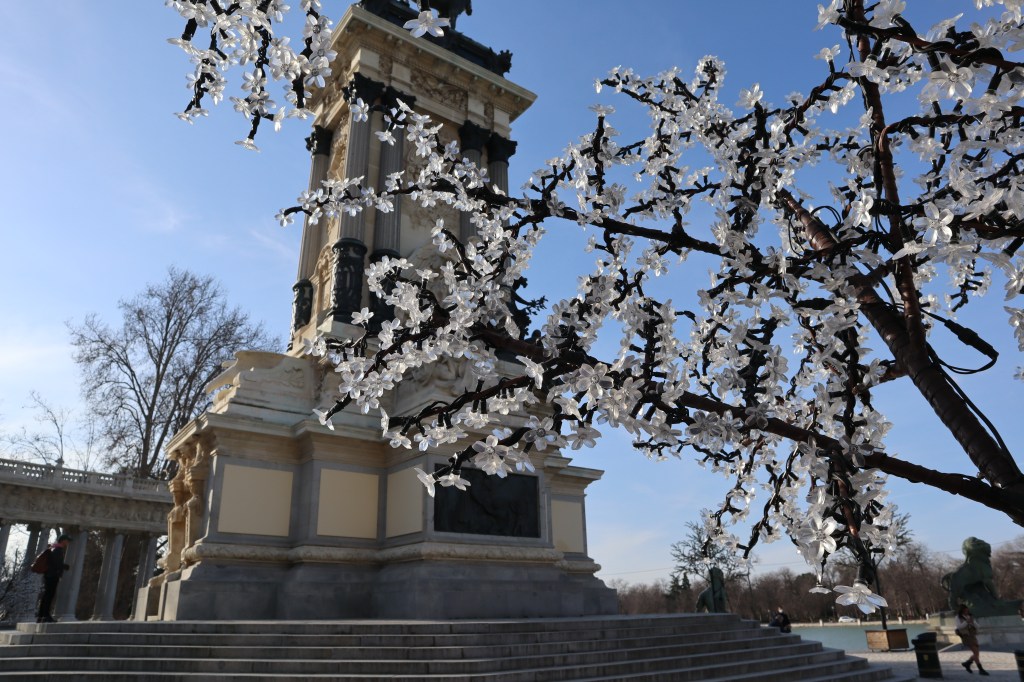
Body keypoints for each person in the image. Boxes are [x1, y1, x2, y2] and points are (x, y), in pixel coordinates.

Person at [35, 534, 71, 624]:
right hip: (52, 575)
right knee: (49, 596)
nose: (68, 542)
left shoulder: (53, 548)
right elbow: (56, 563)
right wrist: (64, 566)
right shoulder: (58, 550)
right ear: (63, 540)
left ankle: (41, 616)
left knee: (46, 595)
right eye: (67, 540)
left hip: (48, 575)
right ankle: (46, 616)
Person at [955, 604, 988, 675]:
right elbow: (959, 627)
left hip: (972, 635)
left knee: (976, 653)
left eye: (967, 610)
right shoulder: (958, 617)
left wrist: (973, 623)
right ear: (962, 611)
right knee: (976, 652)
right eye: (965, 610)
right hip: (966, 636)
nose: (967, 611)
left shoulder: (969, 616)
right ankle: (980, 669)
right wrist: (966, 622)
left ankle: (967, 663)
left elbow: (978, 626)